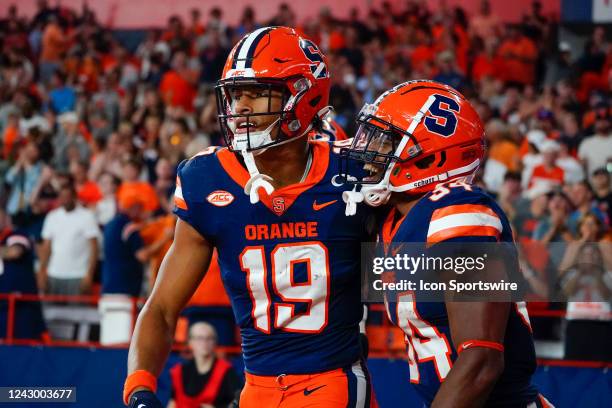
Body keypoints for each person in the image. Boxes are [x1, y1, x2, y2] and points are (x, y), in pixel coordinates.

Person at [125, 27, 377, 408]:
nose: (240, 107)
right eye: (236, 93)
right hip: (255, 386)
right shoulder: (207, 179)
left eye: (258, 93)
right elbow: (161, 307)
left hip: (333, 382)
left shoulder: (353, 173)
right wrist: (140, 387)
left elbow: (424, 273)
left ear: (303, 95)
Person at [339, 80, 552, 407]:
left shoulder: (460, 213)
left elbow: (481, 360)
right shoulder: (392, 220)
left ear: (428, 158)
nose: (369, 152)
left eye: (385, 142)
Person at [38, 181, 100, 296]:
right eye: (62, 196)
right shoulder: (52, 217)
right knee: (52, 313)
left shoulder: (86, 216)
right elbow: (46, 247)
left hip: (78, 275)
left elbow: (94, 248)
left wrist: (89, 274)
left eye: (68, 196)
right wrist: (42, 272)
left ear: (74, 197)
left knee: (77, 313)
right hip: (54, 274)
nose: (65, 199)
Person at [167, 322, 242, 408]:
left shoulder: (227, 371)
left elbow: (238, 402)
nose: (204, 342)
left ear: (215, 342)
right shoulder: (178, 371)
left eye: (209, 338)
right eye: (199, 338)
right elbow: (172, 402)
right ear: (190, 342)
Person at [0, 208, 47, 341]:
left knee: (26, 347)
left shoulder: (17, 234)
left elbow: (15, 251)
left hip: (22, 307)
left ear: (6, 217)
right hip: (3, 306)